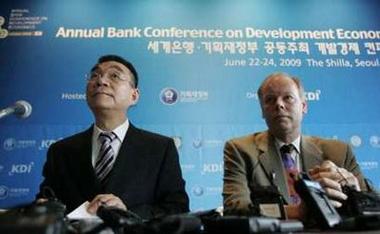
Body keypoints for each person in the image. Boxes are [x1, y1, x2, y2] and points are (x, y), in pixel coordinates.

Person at [37, 55, 189, 219]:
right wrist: (42, 209)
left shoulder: (160, 148)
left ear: (134, 96)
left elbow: (177, 209)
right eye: (95, 75)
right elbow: (46, 203)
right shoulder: (61, 151)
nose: (101, 81)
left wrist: (128, 214)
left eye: (114, 76)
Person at [223, 72, 367, 219]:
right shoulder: (240, 150)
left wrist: (358, 195)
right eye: (270, 99)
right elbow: (235, 210)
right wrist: (297, 211)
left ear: (304, 106)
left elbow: (373, 203)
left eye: (288, 98)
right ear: (262, 111)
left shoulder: (339, 152)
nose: (279, 104)